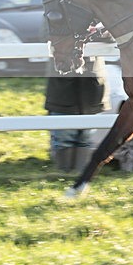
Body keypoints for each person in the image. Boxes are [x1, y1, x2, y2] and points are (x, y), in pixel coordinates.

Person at [45, 35, 109, 172]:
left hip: (91, 86)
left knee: (86, 137)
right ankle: (64, 174)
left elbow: (111, 36)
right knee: (64, 136)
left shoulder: (98, 15)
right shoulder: (57, 16)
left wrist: (96, 33)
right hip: (63, 86)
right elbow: (48, 35)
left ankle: (80, 174)